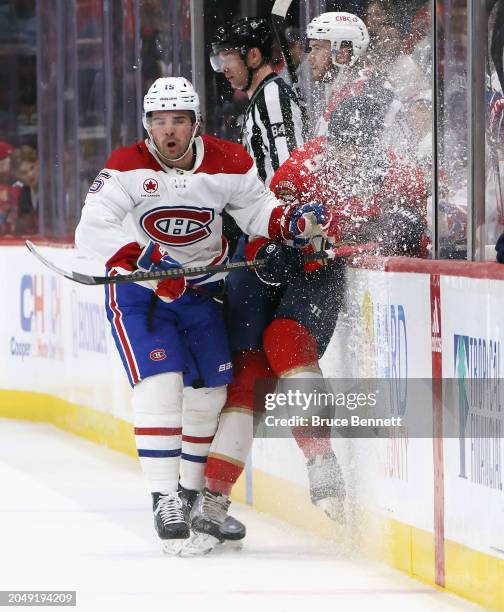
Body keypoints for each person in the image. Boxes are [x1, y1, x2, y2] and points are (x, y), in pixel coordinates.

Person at [74, 76, 328, 554]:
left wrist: (288, 223)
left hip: (204, 290)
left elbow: (257, 209)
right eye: (159, 121)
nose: (168, 131)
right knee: (161, 385)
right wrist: (149, 264)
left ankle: (191, 497)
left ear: (197, 124)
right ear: (147, 125)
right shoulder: (126, 167)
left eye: (178, 121)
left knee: (211, 393)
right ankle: (164, 497)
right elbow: (91, 232)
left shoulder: (229, 161)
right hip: (141, 296)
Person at [189, 95, 428, 554]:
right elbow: (262, 220)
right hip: (266, 271)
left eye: (357, 145)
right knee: (248, 376)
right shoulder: (305, 162)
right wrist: (266, 250)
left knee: (286, 341)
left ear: (375, 140)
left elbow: (429, 225)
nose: (346, 154)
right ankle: (213, 498)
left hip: (320, 272)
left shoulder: (398, 172)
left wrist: (409, 228)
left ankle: (320, 459)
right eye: (339, 143)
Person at [210, 16, 304, 187]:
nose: (224, 68)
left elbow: (289, 174)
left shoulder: (272, 98)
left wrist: (283, 212)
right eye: (220, 60)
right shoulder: (263, 97)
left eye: (229, 57)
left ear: (253, 56)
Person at [306, 11, 410, 156]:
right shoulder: (345, 90)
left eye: (318, 48)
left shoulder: (369, 93)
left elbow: (355, 163)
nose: (310, 58)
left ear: (341, 53)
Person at [11, 145, 39, 234]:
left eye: (32, 167)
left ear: (38, 163)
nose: (30, 174)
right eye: (24, 172)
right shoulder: (24, 192)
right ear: (17, 174)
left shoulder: (51, 189)